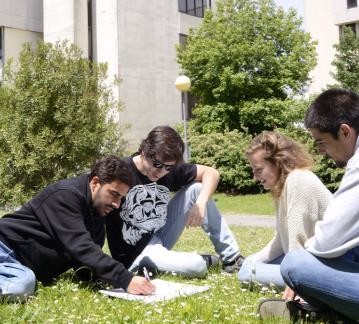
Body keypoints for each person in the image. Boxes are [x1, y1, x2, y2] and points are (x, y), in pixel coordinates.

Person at [260, 88, 359, 324]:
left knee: (296, 266)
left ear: (345, 131)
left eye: (321, 143)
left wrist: (304, 282)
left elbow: (328, 240)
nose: (321, 152)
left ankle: (327, 309)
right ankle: (331, 309)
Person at [0, 156, 155, 300]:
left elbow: (87, 258)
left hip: (16, 265)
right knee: (21, 284)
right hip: (5, 248)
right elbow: (81, 247)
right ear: (95, 183)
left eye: (121, 198)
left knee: (24, 280)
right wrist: (125, 279)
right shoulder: (66, 196)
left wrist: (111, 281)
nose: (117, 204)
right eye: (114, 194)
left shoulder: (96, 210)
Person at [106, 126, 244, 277]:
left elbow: (212, 173)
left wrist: (201, 203)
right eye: (157, 164)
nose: (161, 171)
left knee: (197, 189)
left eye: (168, 167)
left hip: (159, 236)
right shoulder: (121, 173)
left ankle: (232, 259)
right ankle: (199, 260)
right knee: (197, 266)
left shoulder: (167, 168)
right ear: (144, 152)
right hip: (135, 254)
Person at [238, 131, 331, 289]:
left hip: (320, 266)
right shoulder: (284, 186)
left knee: (247, 274)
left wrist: (294, 283)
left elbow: (298, 242)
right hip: (309, 262)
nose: (254, 177)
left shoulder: (297, 180)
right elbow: (281, 240)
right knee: (248, 265)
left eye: (258, 169)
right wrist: (253, 261)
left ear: (278, 162)